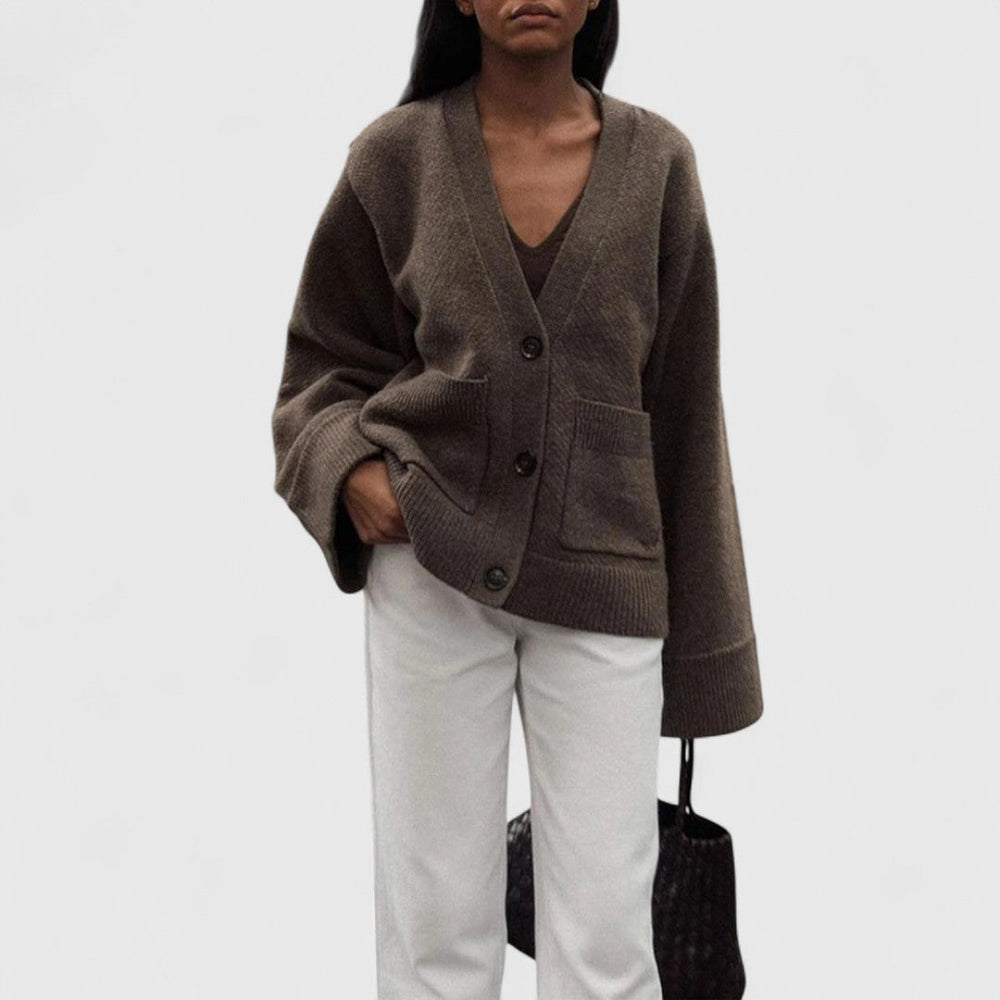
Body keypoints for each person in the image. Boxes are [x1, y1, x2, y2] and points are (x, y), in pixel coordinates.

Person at [270, 2, 764, 997]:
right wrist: (351, 471)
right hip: (431, 568)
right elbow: (321, 367)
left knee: (607, 935)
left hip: (606, 583)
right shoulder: (396, 158)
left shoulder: (658, 165)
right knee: (436, 923)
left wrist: (706, 653)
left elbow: (685, 410)